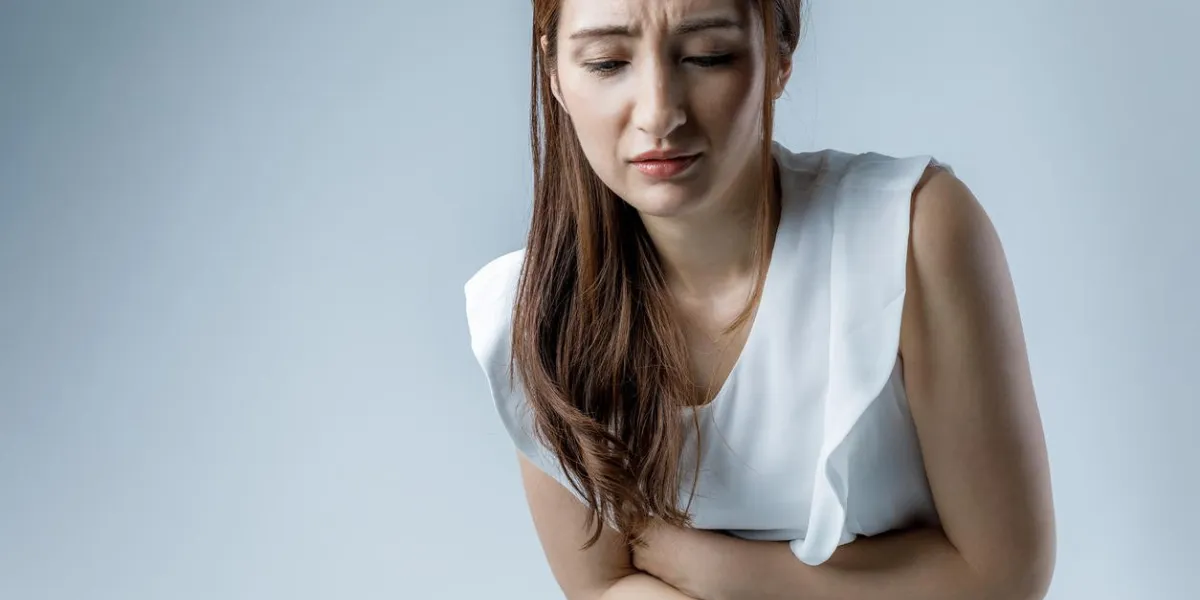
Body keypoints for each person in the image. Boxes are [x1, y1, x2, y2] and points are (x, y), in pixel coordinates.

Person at [464, 0, 1056, 598]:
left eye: (707, 56)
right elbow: (604, 588)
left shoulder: (910, 232)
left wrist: (703, 565)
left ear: (779, 58)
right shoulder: (530, 315)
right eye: (607, 62)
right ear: (555, 76)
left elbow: (1002, 578)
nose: (659, 113)